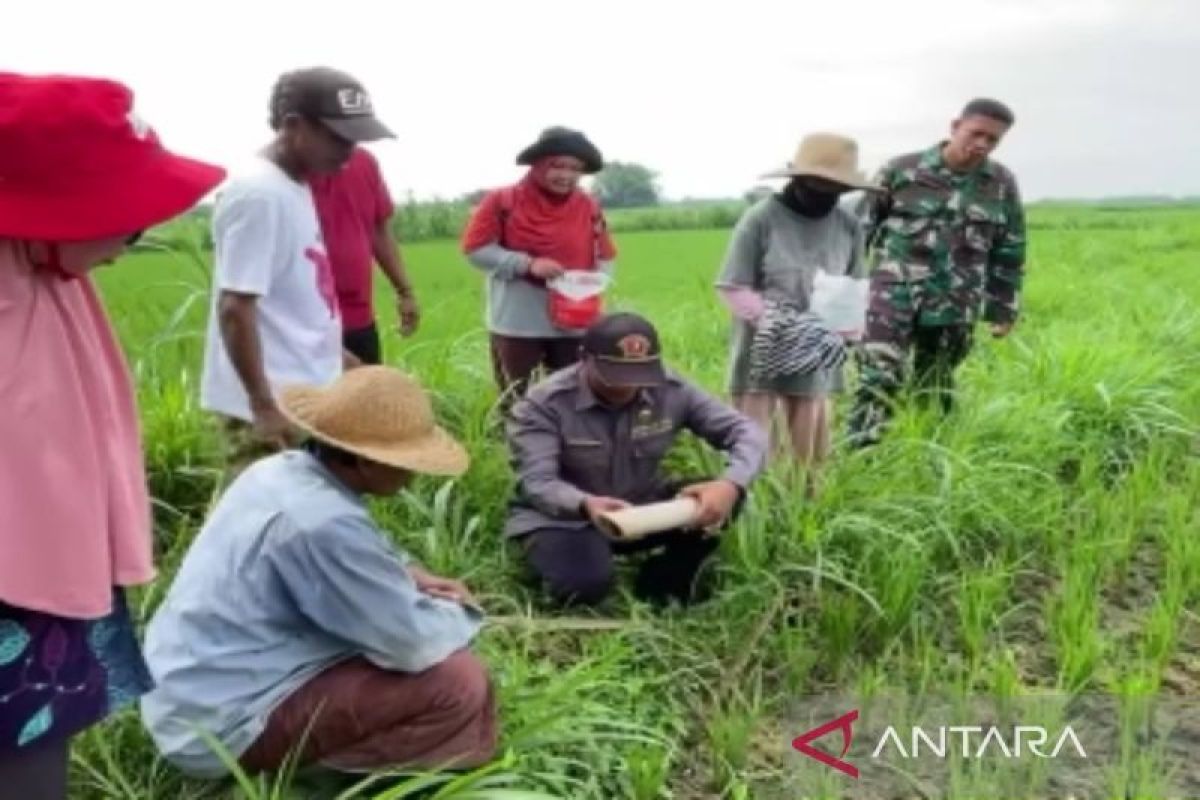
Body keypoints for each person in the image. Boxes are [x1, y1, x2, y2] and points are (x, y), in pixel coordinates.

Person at [0, 72, 225, 799]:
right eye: (127, 220)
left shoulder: (48, 273)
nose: (134, 241)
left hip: (40, 576)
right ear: (52, 208)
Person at [140, 367, 497, 778]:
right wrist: (461, 612)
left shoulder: (280, 471)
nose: (412, 474)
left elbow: (350, 559)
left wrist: (407, 573)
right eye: (405, 462)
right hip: (223, 725)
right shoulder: (321, 523)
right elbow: (412, 644)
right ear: (364, 461)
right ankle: (328, 781)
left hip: (189, 694)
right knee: (456, 681)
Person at [200, 67, 395, 472]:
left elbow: (295, 301)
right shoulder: (259, 194)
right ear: (293, 125)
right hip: (270, 406)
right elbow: (235, 308)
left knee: (296, 518)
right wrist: (261, 405)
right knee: (256, 521)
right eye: (338, 138)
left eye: (356, 140)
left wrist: (340, 360)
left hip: (302, 396)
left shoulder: (295, 184)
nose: (349, 152)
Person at [505, 313, 768, 607]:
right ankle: (569, 562)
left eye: (640, 374)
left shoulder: (671, 388)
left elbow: (747, 432)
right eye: (615, 374)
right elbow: (537, 482)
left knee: (720, 497)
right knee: (582, 587)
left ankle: (665, 585)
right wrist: (585, 504)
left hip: (641, 507)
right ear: (584, 358)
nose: (627, 387)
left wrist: (732, 483)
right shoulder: (543, 405)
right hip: (566, 519)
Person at [848, 98, 1027, 445]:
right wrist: (842, 295)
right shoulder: (901, 171)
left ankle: (928, 452)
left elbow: (1010, 247)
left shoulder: (1001, 182)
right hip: (891, 295)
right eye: (976, 134)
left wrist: (1004, 307)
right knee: (879, 376)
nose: (982, 145)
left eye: (993, 140)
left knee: (936, 381)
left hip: (956, 301)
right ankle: (863, 454)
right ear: (954, 126)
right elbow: (858, 233)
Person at [715, 133, 877, 471]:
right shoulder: (761, 218)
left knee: (808, 459)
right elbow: (732, 285)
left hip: (817, 357)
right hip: (761, 359)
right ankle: (751, 516)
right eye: (819, 185)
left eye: (836, 189)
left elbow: (852, 286)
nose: (826, 195)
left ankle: (804, 517)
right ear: (798, 179)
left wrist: (846, 331)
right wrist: (784, 325)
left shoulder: (847, 224)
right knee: (759, 453)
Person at [461, 126, 617, 411]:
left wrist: (595, 284)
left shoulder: (588, 206)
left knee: (573, 397)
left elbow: (605, 255)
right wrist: (527, 264)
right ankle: (519, 452)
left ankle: (569, 452)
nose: (566, 175)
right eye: (558, 165)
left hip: (573, 320)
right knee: (518, 399)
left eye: (575, 169)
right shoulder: (502, 201)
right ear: (538, 164)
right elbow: (475, 249)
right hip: (518, 322)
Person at [310, 146, 420, 365]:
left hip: (359, 318)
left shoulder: (364, 161)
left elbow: (379, 229)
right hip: (306, 326)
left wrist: (405, 291)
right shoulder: (281, 176)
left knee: (368, 396)